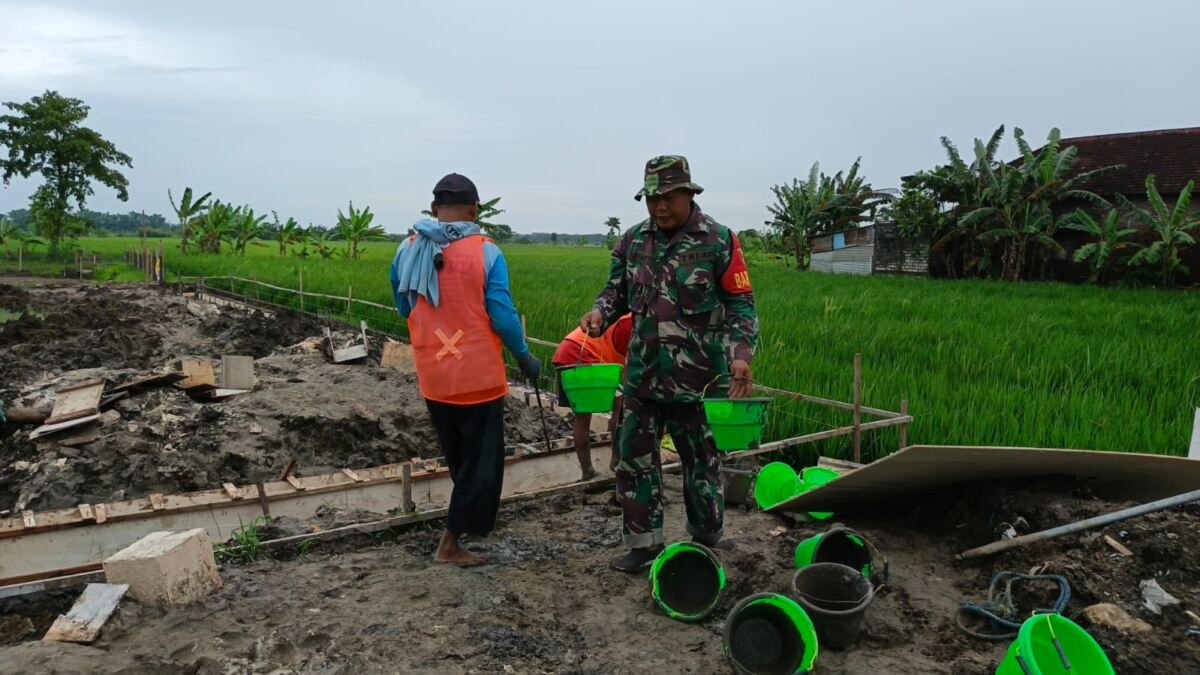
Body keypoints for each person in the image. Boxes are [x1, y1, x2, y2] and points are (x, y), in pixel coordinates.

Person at [581, 155, 759, 573]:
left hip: (698, 380)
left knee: (702, 463)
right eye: (651, 199)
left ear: (689, 193)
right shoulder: (632, 240)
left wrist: (741, 356)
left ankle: (706, 539)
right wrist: (599, 313)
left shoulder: (718, 240)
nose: (660, 207)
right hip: (643, 374)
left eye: (668, 197)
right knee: (635, 460)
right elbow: (615, 291)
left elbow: (741, 305)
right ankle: (643, 545)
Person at [390, 172, 540, 567]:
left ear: (435, 209)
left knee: (460, 459)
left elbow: (404, 306)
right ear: (475, 209)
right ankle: (451, 543)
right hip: (477, 377)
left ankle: (464, 522)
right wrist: (524, 355)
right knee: (482, 463)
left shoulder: (407, 249)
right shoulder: (486, 251)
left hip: (433, 375)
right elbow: (503, 315)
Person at [551, 313, 633, 481]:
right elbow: (629, 368)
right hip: (584, 353)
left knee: (582, 416)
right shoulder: (632, 321)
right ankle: (616, 461)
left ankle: (590, 470)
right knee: (622, 405)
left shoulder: (625, 313)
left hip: (568, 349)